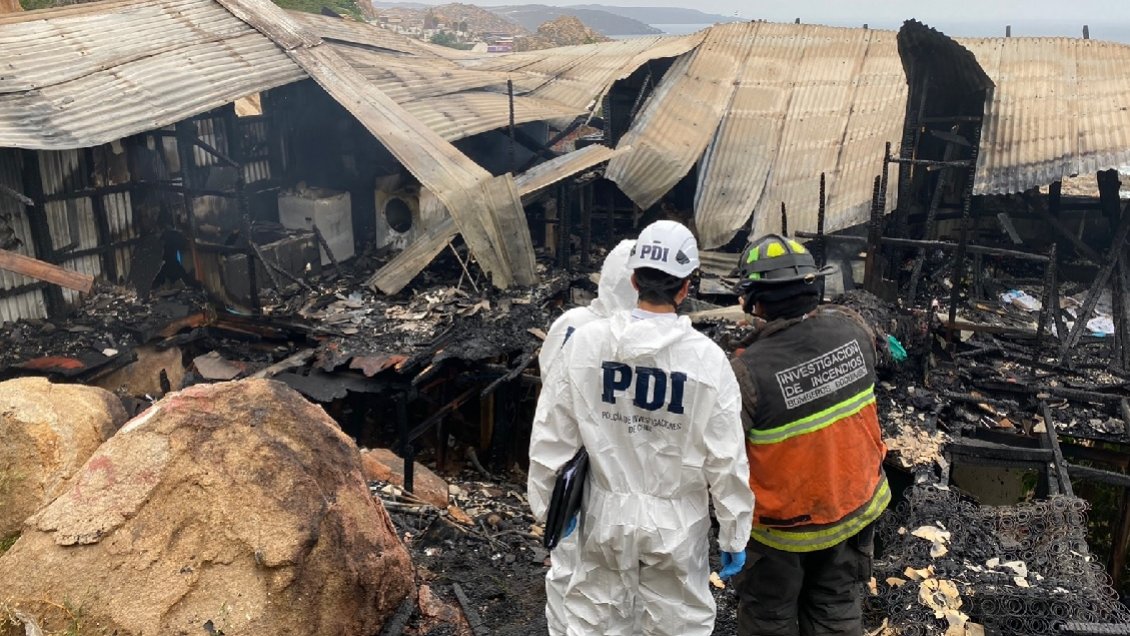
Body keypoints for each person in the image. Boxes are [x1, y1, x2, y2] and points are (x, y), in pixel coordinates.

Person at [528, 220, 754, 636]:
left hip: (604, 514)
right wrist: (734, 532)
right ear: (686, 287)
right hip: (677, 525)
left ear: (634, 280)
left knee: (593, 620)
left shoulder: (587, 344)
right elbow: (726, 458)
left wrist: (549, 507)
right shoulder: (706, 360)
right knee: (678, 625)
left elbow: (552, 434)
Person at [729, 234, 890, 636]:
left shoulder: (746, 372)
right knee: (836, 613)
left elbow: (723, 457)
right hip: (852, 510)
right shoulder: (855, 330)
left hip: (781, 531)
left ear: (754, 301)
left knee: (769, 621)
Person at [537, 238, 638, 635]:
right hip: (608, 472)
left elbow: (551, 399)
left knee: (567, 570)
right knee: (613, 583)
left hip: (568, 469)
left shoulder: (569, 323)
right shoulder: (621, 339)